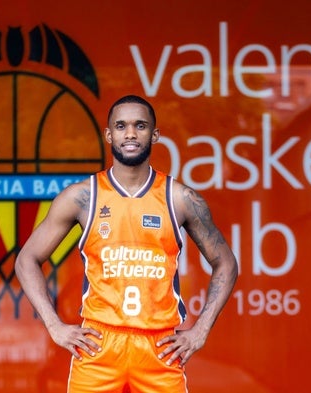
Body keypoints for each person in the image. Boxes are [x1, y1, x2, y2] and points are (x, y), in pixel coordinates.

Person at [15, 94, 238, 393]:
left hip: (159, 348)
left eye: (140, 125)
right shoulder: (82, 197)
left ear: (154, 134)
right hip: (98, 346)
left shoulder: (180, 199)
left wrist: (200, 330)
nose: (130, 133)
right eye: (121, 126)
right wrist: (54, 326)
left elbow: (225, 262)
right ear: (109, 134)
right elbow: (26, 259)